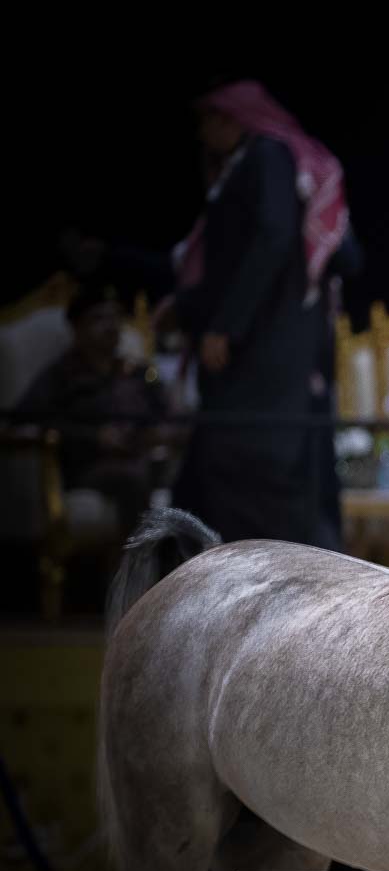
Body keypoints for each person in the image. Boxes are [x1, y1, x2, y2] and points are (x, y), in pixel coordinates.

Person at [164, 79, 350, 545]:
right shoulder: (251, 163)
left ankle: (289, 586)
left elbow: (273, 235)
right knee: (215, 480)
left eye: (209, 119)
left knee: (260, 481)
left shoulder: (267, 155)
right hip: (260, 364)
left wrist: (225, 326)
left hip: (262, 360)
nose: (202, 132)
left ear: (232, 118)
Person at [17, 283, 169, 529]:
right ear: (77, 327)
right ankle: (144, 552)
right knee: (131, 478)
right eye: (99, 318)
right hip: (90, 465)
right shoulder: (61, 376)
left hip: (143, 455)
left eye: (115, 317)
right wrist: (94, 437)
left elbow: (167, 414)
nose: (111, 325)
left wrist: (155, 432)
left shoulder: (137, 372)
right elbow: (25, 419)